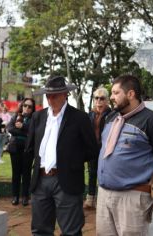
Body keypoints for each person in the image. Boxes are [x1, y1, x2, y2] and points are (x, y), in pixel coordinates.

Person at [96, 75, 153, 235]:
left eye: (115, 93)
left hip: (132, 198)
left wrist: (143, 179)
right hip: (104, 194)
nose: (111, 97)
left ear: (130, 94)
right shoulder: (111, 117)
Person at [26, 76, 98, 235]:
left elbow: (92, 149)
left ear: (65, 94)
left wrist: (71, 162)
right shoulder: (38, 117)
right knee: (39, 230)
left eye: (55, 95)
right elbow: (30, 147)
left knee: (71, 231)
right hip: (41, 179)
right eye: (48, 95)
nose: (51, 99)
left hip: (67, 180)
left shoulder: (79, 118)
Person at [83, 87, 111, 209]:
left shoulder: (112, 115)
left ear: (107, 101)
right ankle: (90, 199)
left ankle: (103, 200)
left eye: (102, 98)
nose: (99, 101)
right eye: (96, 98)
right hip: (92, 148)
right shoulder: (90, 114)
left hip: (106, 148)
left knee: (105, 173)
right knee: (92, 173)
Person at [7, 98, 36, 206]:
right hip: (15, 148)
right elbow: (10, 128)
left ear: (33, 108)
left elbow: (34, 131)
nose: (27, 108)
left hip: (28, 149)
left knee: (26, 173)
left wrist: (23, 127)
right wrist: (25, 132)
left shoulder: (34, 118)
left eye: (29, 106)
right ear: (22, 106)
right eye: (25, 105)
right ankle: (15, 196)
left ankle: (25, 197)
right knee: (16, 173)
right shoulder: (16, 116)